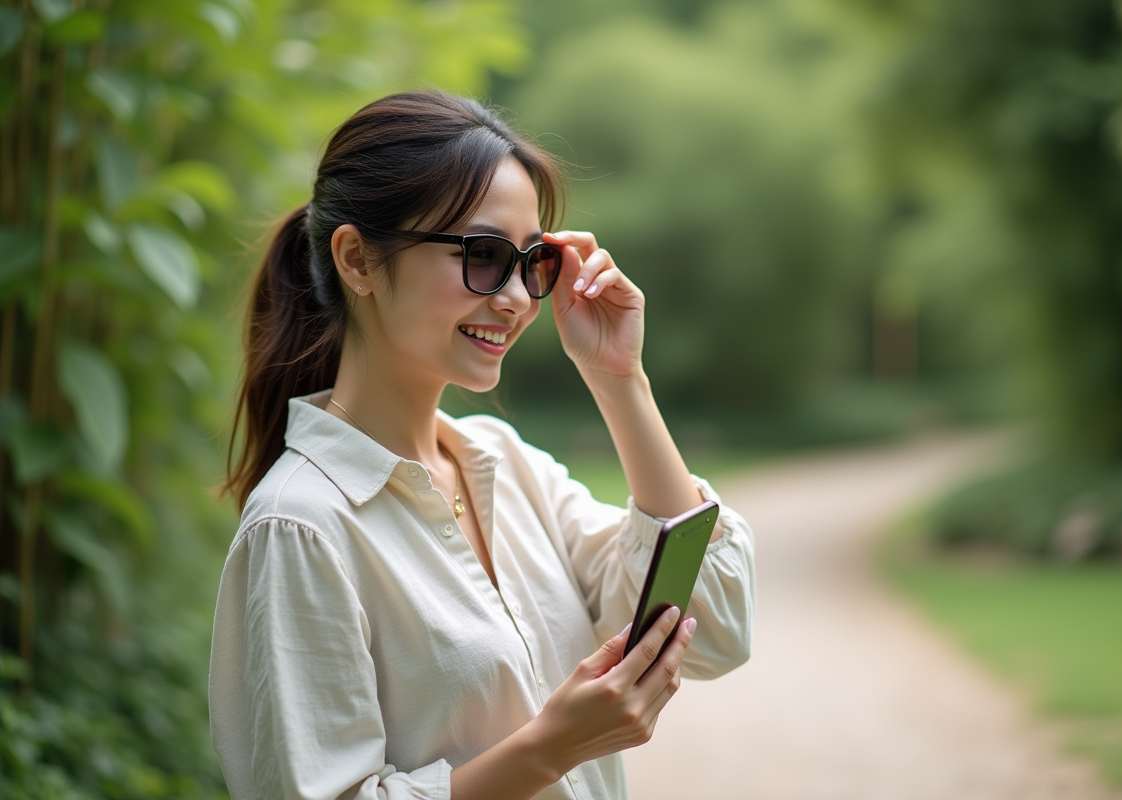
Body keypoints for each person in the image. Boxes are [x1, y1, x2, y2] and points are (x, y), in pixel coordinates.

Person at [209, 90, 755, 800]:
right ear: (358, 261)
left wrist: (620, 378)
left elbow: (713, 632)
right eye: (483, 254)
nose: (518, 298)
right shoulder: (301, 527)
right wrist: (549, 748)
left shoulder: (504, 464)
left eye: (532, 261)